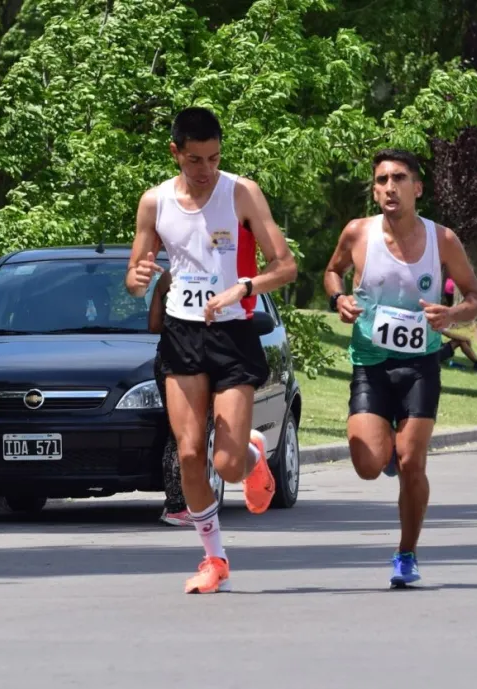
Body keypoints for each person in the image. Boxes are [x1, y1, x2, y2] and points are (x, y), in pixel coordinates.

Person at [126, 106, 297, 594]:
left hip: (232, 332)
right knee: (188, 455)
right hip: (181, 333)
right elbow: (138, 275)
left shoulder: (240, 192)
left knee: (225, 463)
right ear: (175, 152)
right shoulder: (154, 202)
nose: (205, 171)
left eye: (214, 158)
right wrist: (137, 280)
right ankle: (214, 558)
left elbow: (285, 267)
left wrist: (244, 288)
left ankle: (252, 452)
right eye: (195, 160)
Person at [323, 148, 477, 588]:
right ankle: (386, 451)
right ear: (374, 191)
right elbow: (332, 272)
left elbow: (475, 298)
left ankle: (406, 553)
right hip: (371, 362)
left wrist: (451, 316)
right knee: (367, 465)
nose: (389, 187)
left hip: (419, 364)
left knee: (413, 462)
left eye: (398, 178)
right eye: (381, 180)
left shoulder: (442, 240)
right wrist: (339, 299)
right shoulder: (358, 233)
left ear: (418, 187)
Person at [145, 270, 191, 527]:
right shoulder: (210, 272)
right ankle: (184, 502)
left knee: (177, 433)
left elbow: (153, 325)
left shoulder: (165, 278)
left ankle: (176, 504)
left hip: (167, 355)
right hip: (195, 357)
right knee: (195, 431)